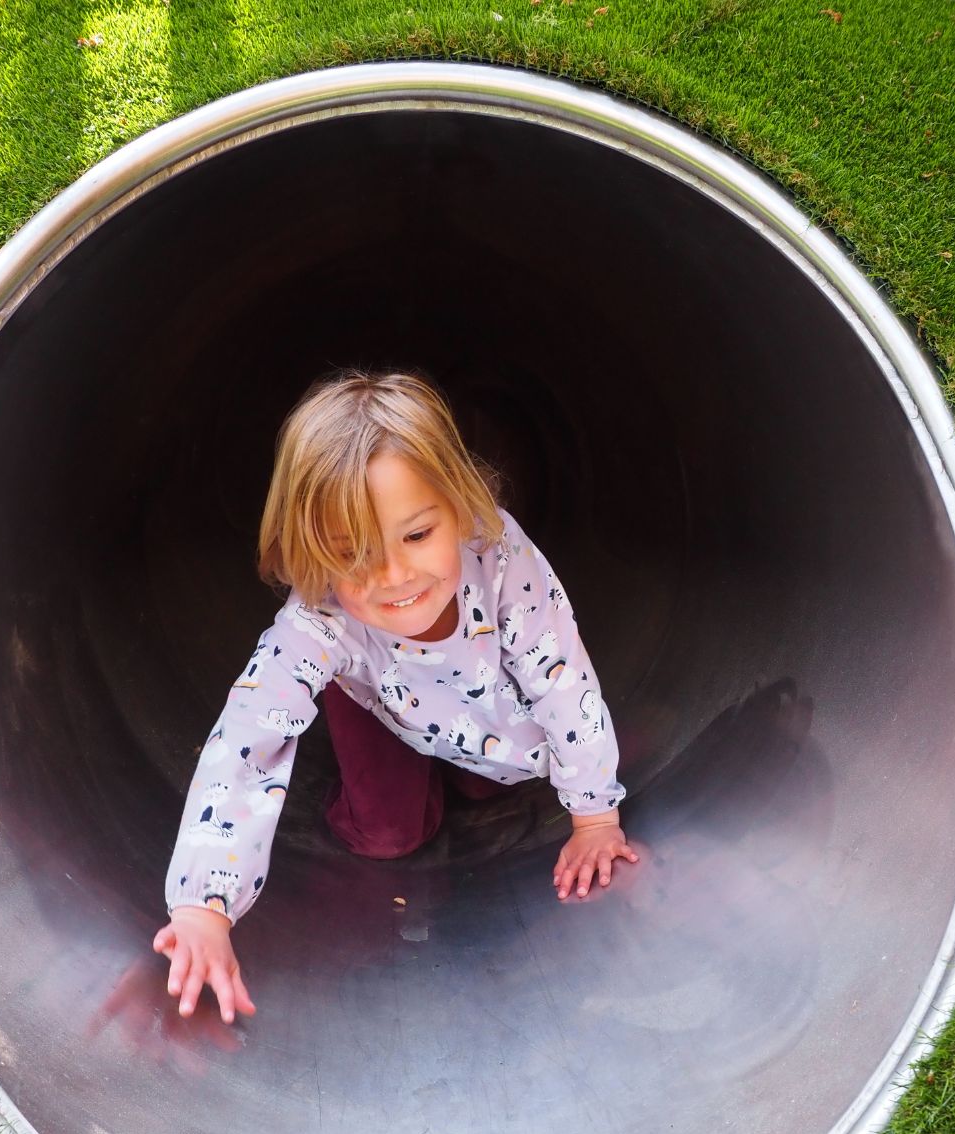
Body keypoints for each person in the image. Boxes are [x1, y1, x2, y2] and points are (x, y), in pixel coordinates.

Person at [154, 370, 639, 1023]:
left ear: (460, 505)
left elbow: (559, 674)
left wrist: (594, 816)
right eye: (352, 553)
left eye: (416, 535)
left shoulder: (497, 556)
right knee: (388, 834)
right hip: (379, 702)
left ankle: (465, 773)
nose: (394, 576)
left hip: (482, 694)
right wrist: (203, 905)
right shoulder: (319, 622)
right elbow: (244, 740)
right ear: (314, 555)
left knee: (504, 779)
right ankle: (373, 788)